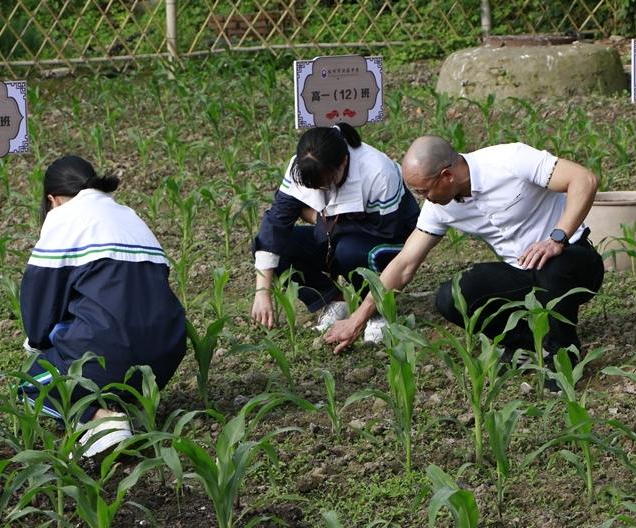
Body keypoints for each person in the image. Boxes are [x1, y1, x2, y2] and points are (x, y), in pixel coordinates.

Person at [324, 136, 605, 389]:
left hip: (572, 259)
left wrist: (556, 238)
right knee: (453, 296)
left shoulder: (510, 160)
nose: (424, 200)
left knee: (551, 269)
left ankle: (564, 355)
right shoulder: (440, 209)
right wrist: (356, 319)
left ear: (446, 176)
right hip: (522, 271)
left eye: (424, 191)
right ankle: (528, 343)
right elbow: (404, 264)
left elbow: (583, 179)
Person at [19, 155, 187, 456]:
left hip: (110, 354)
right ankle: (122, 404)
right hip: (164, 358)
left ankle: (100, 419)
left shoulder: (64, 217)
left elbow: (39, 313)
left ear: (52, 200)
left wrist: (38, 346)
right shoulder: (129, 215)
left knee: (32, 383)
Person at [252, 123, 419, 342]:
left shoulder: (378, 172)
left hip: (388, 244)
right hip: (337, 240)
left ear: (344, 161)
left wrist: (323, 221)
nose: (323, 190)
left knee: (349, 250)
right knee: (277, 245)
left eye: (327, 183)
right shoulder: (302, 168)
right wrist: (262, 292)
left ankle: (379, 310)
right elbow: (276, 224)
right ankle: (332, 300)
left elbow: (387, 231)